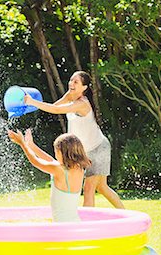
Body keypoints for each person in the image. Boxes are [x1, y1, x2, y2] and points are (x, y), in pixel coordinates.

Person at [23, 71, 125, 209]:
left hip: (98, 148)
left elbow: (55, 110)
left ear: (84, 87)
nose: (71, 83)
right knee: (102, 187)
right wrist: (31, 106)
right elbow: (54, 106)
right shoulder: (70, 96)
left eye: (76, 82)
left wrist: (33, 101)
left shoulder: (82, 103)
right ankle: (125, 214)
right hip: (84, 150)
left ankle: (87, 226)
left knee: (88, 188)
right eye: (71, 80)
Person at [8, 129, 91, 222]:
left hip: (62, 225)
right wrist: (32, 146)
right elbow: (50, 160)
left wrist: (22, 143)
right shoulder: (78, 168)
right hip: (74, 222)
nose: (55, 155)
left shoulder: (58, 169)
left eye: (56, 152)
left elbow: (35, 161)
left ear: (63, 153)